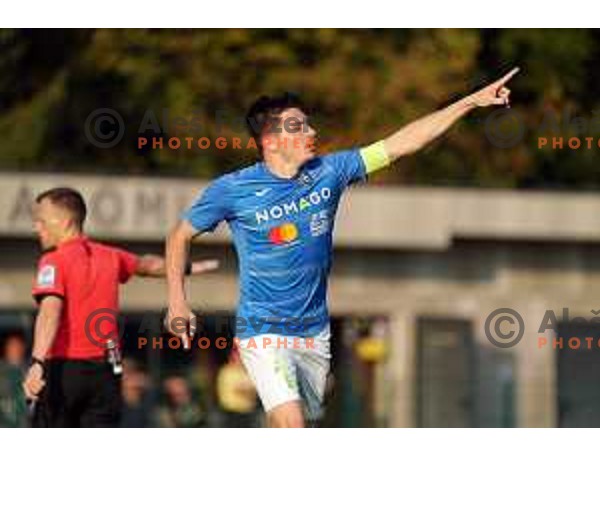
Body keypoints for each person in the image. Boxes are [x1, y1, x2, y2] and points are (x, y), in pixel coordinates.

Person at [166, 68, 519, 427]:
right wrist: (178, 301)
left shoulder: (330, 171)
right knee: (292, 423)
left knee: (285, 421)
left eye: (309, 124)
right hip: (263, 330)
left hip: (314, 333)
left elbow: (402, 143)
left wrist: (470, 102)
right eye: (299, 126)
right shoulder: (232, 189)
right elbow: (179, 235)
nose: (312, 132)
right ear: (270, 140)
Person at [23, 187, 218, 428]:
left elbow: (50, 311)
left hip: (64, 370)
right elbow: (146, 265)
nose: (36, 227)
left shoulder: (53, 260)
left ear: (64, 221)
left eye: (41, 220)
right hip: (106, 372)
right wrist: (183, 267)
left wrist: (37, 362)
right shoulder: (110, 255)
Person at [215, 347, 259, 428]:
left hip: (248, 413)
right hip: (233, 414)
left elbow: (255, 387)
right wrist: (250, 386)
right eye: (239, 356)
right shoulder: (227, 371)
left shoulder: (246, 371)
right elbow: (241, 387)